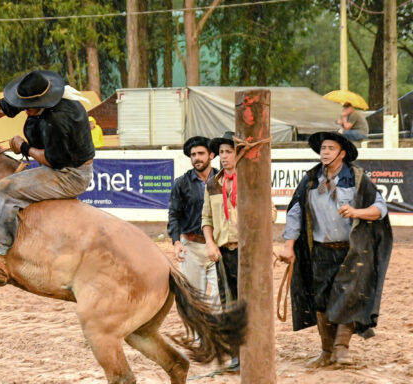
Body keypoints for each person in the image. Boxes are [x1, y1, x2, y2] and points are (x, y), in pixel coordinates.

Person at [278, 131, 392, 367]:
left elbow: (380, 208)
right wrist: (289, 246)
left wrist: (356, 212)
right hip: (319, 251)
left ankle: (341, 350)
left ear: (342, 153)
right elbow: (295, 213)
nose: (325, 152)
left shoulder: (358, 178)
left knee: (348, 297)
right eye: (323, 149)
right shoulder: (310, 180)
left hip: (352, 252)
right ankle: (326, 351)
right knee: (320, 300)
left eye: (330, 148)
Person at [0, 70, 95, 281]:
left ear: (43, 102)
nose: (24, 111)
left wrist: (24, 147)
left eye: (28, 109)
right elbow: (0, 108)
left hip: (70, 174)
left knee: (4, 189)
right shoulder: (36, 98)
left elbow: (53, 160)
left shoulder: (59, 119)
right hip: (58, 165)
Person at [201, 132, 278, 371]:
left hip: (249, 254)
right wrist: (210, 243)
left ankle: (256, 351)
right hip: (224, 252)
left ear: (238, 154)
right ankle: (236, 355)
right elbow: (206, 217)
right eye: (221, 152)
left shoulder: (252, 179)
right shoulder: (213, 183)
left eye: (229, 152)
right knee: (229, 305)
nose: (224, 157)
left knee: (252, 301)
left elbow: (272, 214)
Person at [168, 136, 219, 309]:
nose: (196, 158)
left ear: (211, 155)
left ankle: (214, 332)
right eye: (193, 155)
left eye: (201, 153)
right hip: (191, 246)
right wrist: (176, 242)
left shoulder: (222, 180)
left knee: (222, 295)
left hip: (218, 246)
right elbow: (173, 214)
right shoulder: (181, 183)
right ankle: (199, 336)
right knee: (194, 299)